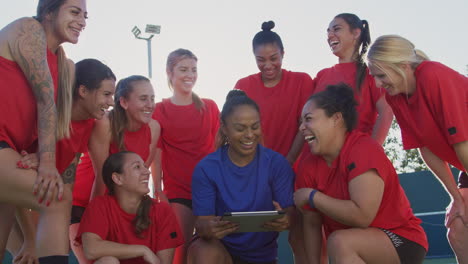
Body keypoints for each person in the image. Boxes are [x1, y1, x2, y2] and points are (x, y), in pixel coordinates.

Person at [294, 83, 428, 263]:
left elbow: (362, 216)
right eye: (301, 122)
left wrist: (313, 196)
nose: (302, 127)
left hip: (400, 239)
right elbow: (312, 224)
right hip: (353, 244)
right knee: (340, 241)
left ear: (336, 118)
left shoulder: (362, 149)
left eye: (308, 119)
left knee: (341, 242)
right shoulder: (308, 165)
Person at [367, 34, 468, 264]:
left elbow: (462, 142)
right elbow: (426, 149)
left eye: (381, 76)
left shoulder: (433, 75)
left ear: (403, 66)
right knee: (458, 227)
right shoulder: (395, 97)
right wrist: (457, 198)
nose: (378, 84)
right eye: (374, 76)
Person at [0, 0, 87, 263]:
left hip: (12, 150)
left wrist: (39, 155)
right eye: (74, 12)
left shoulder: (63, 64)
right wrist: (47, 163)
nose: (82, 21)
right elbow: (44, 99)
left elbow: (47, 122)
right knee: (56, 197)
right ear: (48, 12)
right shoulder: (28, 29)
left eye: (85, 16)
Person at [7, 58, 116, 264]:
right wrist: (30, 241)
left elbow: (68, 178)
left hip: (39, 203)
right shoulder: (46, 117)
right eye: (106, 94)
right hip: (12, 205)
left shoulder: (87, 124)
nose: (111, 102)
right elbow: (11, 185)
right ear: (83, 91)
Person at [189, 90, 294, 264]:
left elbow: (292, 213)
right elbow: (201, 224)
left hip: (263, 256)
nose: (249, 135)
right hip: (222, 252)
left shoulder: (277, 163)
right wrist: (210, 228)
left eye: (255, 127)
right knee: (204, 251)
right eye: (240, 128)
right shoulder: (206, 168)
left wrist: (287, 219)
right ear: (224, 128)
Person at [72, 75, 160, 263]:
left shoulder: (154, 127)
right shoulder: (105, 124)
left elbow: (141, 176)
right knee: (101, 260)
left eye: (152, 98)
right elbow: (101, 178)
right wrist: (92, 223)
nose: (150, 104)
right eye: (143, 98)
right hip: (85, 203)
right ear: (123, 102)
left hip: (117, 208)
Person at [152, 48, 219, 264]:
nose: (189, 74)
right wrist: (157, 189)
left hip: (210, 191)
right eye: (183, 69)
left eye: (193, 69)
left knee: (208, 250)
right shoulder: (159, 110)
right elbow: (157, 152)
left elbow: (218, 149)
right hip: (178, 192)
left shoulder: (209, 106)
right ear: (169, 72)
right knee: (178, 252)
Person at [76, 151, 184, 264]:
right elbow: (91, 249)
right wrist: (142, 250)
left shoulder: (162, 210)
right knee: (108, 261)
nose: (147, 172)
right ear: (117, 178)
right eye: (137, 167)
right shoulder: (100, 205)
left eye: (145, 167)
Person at [234, 21, 314, 164]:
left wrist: (288, 162)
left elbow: (306, 124)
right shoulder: (243, 86)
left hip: (294, 167)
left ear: (282, 53)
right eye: (261, 60)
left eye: (273, 58)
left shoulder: (302, 81)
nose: (268, 65)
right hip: (254, 168)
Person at [315, 13, 392, 144]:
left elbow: (386, 113)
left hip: (356, 156)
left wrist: (371, 151)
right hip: (322, 157)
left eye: (337, 29)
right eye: (328, 31)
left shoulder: (371, 74)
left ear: (356, 33)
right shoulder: (322, 75)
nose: (330, 35)